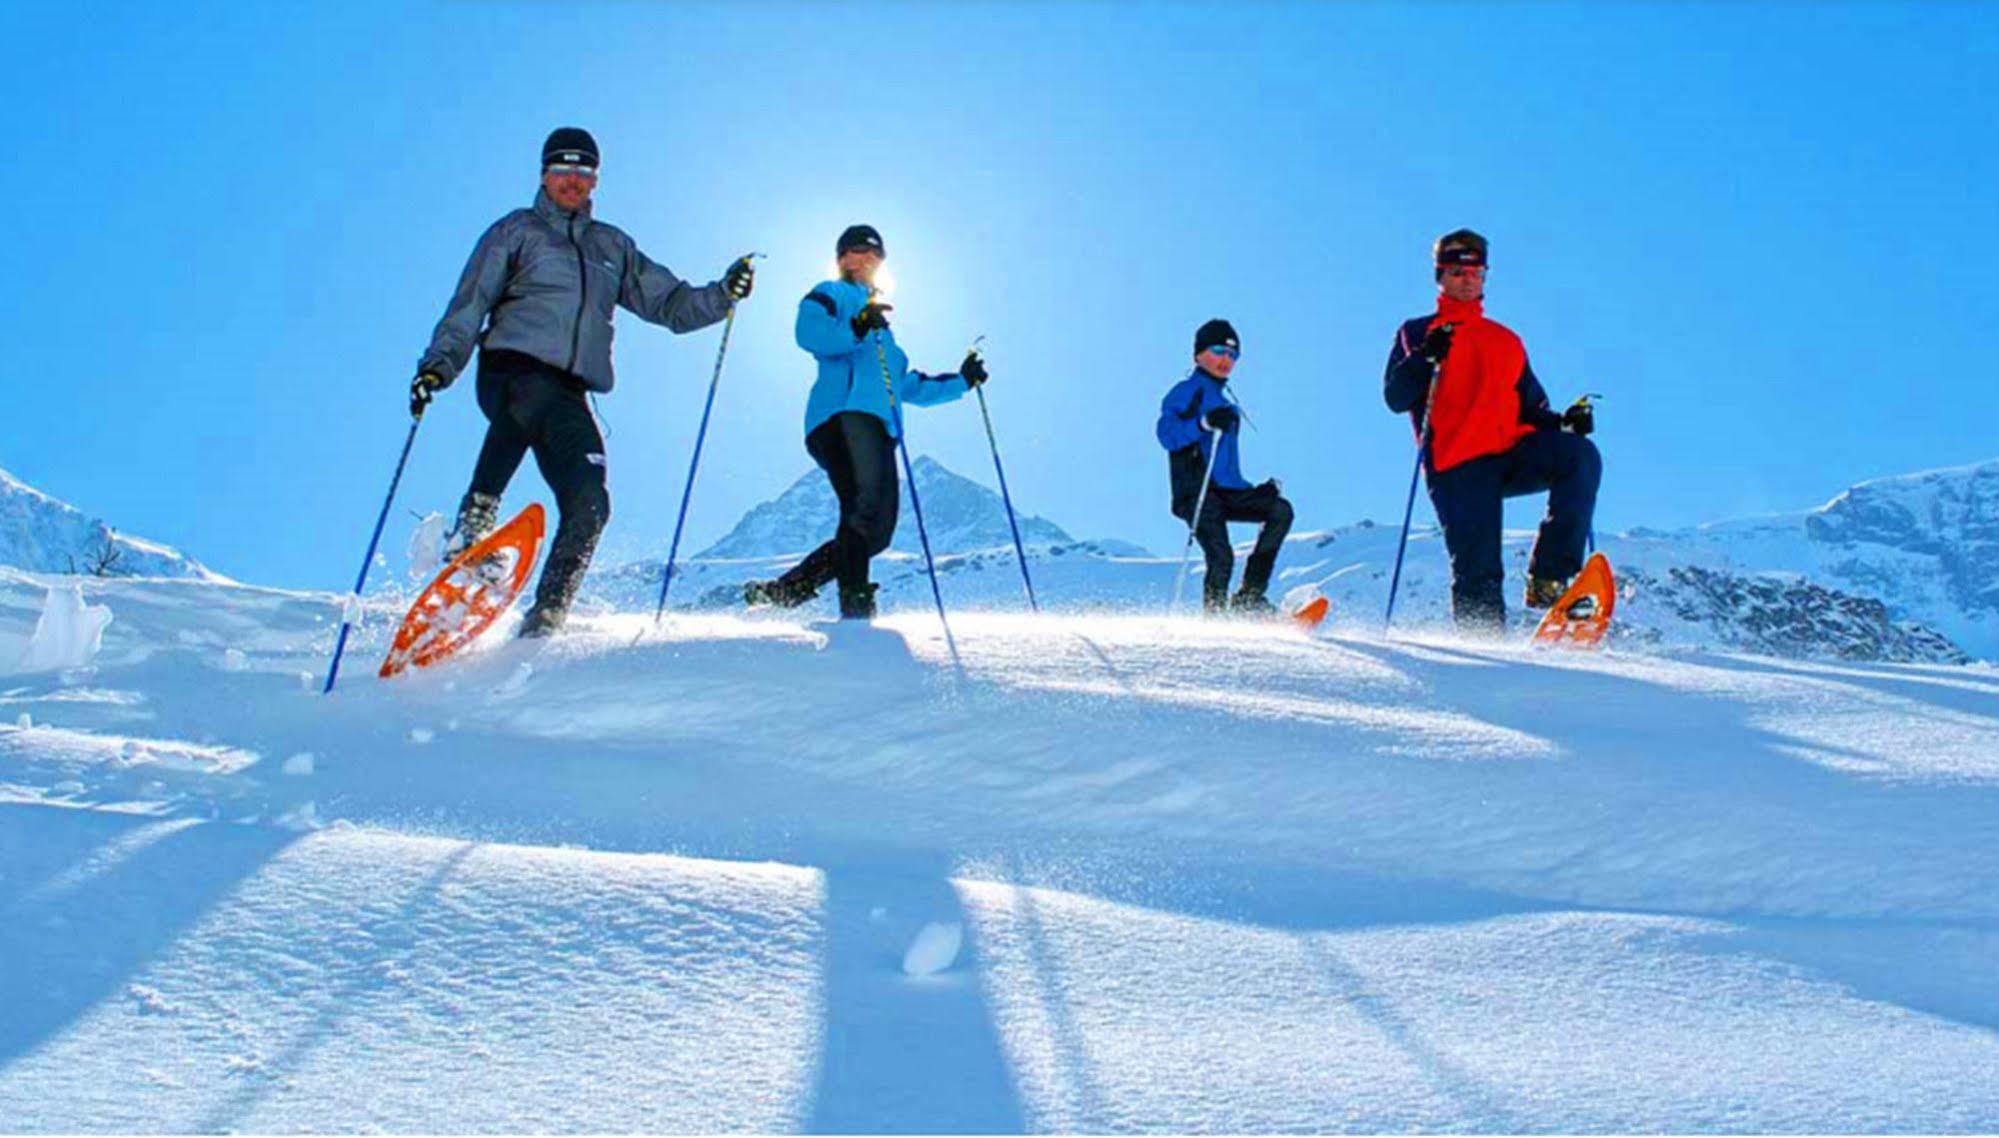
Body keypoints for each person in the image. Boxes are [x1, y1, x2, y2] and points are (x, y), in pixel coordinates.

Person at [408, 127, 754, 637]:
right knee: (532, 394)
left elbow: (671, 304)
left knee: (592, 502)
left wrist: (723, 294)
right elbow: (471, 303)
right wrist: (438, 366)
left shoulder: (611, 245)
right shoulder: (516, 231)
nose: (573, 180)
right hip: (510, 369)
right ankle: (472, 529)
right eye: (563, 170)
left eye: (584, 172)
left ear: (596, 181)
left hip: (570, 391)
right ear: (544, 175)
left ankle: (548, 615)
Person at [744, 225, 986, 620]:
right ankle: (855, 604)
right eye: (859, 251)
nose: (869, 259)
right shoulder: (833, 294)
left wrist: (963, 380)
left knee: (874, 531)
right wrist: (856, 325)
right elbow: (810, 334)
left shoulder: (885, 336)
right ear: (841, 259)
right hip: (847, 415)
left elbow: (909, 385)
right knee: (866, 511)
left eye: (876, 254)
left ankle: (787, 590)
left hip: (871, 425)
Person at [1382, 228, 1602, 632]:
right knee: (1478, 568)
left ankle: (1548, 579)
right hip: (1455, 463)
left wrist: (1565, 423)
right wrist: (1425, 359)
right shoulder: (1416, 332)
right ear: (1441, 276)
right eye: (1456, 271)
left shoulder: (1506, 341)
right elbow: (1396, 398)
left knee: (1579, 455)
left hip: (1510, 452)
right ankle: (1483, 654)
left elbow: (1534, 409)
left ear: (1485, 276)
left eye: (1475, 271)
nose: (1467, 279)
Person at [1155, 319, 1295, 615]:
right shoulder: (1187, 391)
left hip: (1224, 491)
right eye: (1219, 350)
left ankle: (1249, 598)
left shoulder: (1225, 405)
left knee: (1279, 510)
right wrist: (1202, 423)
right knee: (1222, 556)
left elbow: (1224, 468)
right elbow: (1167, 435)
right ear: (1198, 354)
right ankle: (1215, 619)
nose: (1226, 360)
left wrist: (1256, 492)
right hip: (1196, 492)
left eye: (1233, 355)